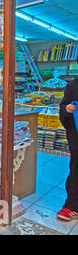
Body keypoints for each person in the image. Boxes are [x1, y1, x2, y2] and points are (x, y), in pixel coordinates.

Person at [57, 77, 78, 221]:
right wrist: (67, 109)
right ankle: (72, 206)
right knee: (76, 167)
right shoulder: (73, 85)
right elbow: (63, 108)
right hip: (76, 133)